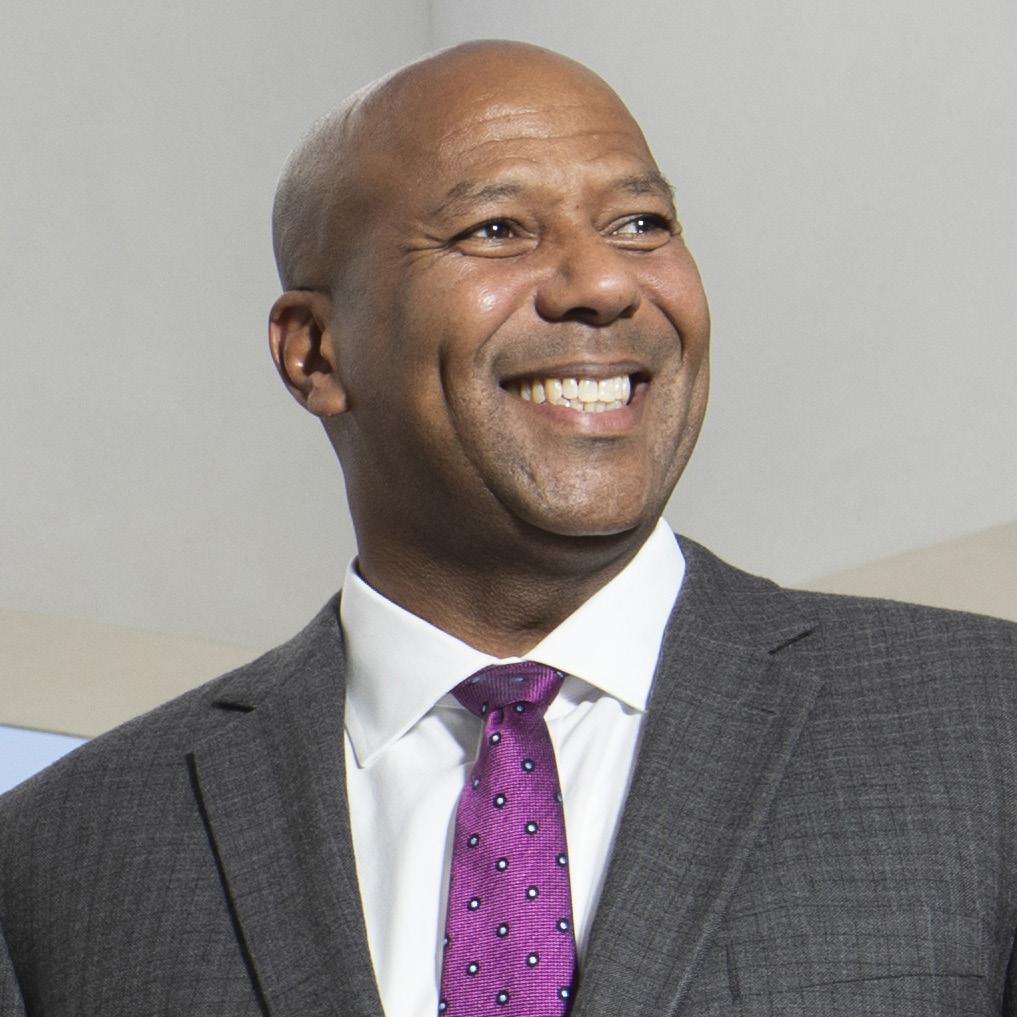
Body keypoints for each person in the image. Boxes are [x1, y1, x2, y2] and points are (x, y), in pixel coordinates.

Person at [1, 39, 1015, 1017]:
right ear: (314, 351)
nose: (604, 283)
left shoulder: (983, 725)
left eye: (641, 224)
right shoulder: (63, 858)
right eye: (495, 230)